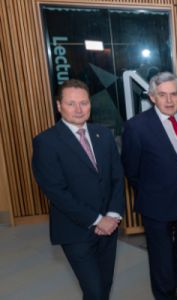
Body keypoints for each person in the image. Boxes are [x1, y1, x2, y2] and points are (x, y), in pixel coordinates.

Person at [32, 79, 124, 300]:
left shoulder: (103, 134)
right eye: (71, 103)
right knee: (94, 291)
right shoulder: (46, 142)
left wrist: (111, 215)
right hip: (75, 231)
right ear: (58, 106)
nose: (79, 109)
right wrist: (96, 219)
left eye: (84, 103)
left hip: (108, 228)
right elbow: (56, 191)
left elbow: (117, 178)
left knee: (105, 285)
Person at [121, 72, 177, 300]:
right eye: (162, 95)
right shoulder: (136, 127)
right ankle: (165, 294)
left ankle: (174, 285)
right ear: (152, 97)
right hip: (155, 203)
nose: (169, 100)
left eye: (173, 94)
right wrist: (150, 191)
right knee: (161, 257)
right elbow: (131, 169)